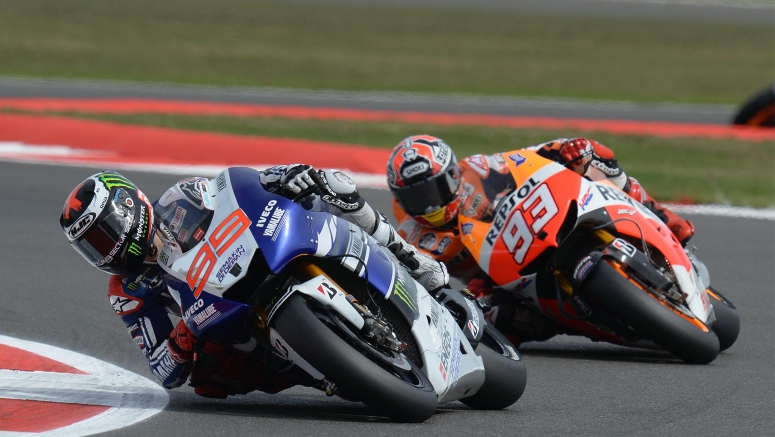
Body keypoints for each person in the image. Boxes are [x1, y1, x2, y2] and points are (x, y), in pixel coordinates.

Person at [60, 165, 448, 399]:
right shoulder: (127, 292)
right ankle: (331, 372)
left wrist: (283, 176)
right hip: (224, 316)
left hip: (261, 250)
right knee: (207, 379)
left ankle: (412, 260)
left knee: (332, 190)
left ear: (129, 209)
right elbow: (162, 370)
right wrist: (180, 338)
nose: (104, 253)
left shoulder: (181, 197)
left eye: (103, 236)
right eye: (91, 249)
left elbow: (238, 188)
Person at [386, 134, 696, 344]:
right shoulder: (412, 235)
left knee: (596, 157)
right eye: (417, 198)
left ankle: (664, 216)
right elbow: (423, 285)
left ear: (452, 174)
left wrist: (567, 150)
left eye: (433, 190)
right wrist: (469, 300)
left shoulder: (478, 169)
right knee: (496, 323)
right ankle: (580, 320)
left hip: (538, 222)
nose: (430, 205)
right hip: (498, 279)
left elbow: (527, 158)